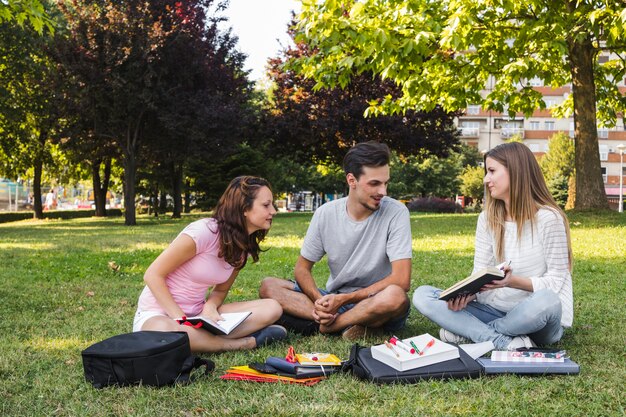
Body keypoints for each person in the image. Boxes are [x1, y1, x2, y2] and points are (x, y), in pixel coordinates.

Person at [413, 142, 573, 350]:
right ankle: (502, 341)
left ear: (516, 172)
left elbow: (556, 281)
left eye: (492, 171)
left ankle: (476, 332)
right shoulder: (487, 219)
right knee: (423, 295)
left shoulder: (549, 219)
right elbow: (481, 271)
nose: (486, 179)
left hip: (535, 316)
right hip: (493, 309)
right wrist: (468, 294)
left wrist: (511, 281)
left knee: (547, 300)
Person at [259, 141, 413, 340]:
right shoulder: (326, 213)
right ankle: (352, 323)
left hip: (376, 299)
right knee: (269, 286)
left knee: (395, 296)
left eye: (385, 183)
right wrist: (320, 301)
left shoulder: (396, 212)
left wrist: (345, 299)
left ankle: (331, 326)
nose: (383, 191)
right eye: (375, 183)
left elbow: (401, 280)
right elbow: (302, 269)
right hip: (335, 299)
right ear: (352, 180)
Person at [133, 176, 286, 353]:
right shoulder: (203, 231)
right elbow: (152, 275)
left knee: (272, 308)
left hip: (199, 315)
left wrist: (210, 307)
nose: (273, 211)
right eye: (266, 205)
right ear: (244, 208)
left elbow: (220, 291)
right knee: (167, 332)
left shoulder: (241, 247)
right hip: (160, 314)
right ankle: (241, 343)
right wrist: (181, 320)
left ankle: (201, 340)